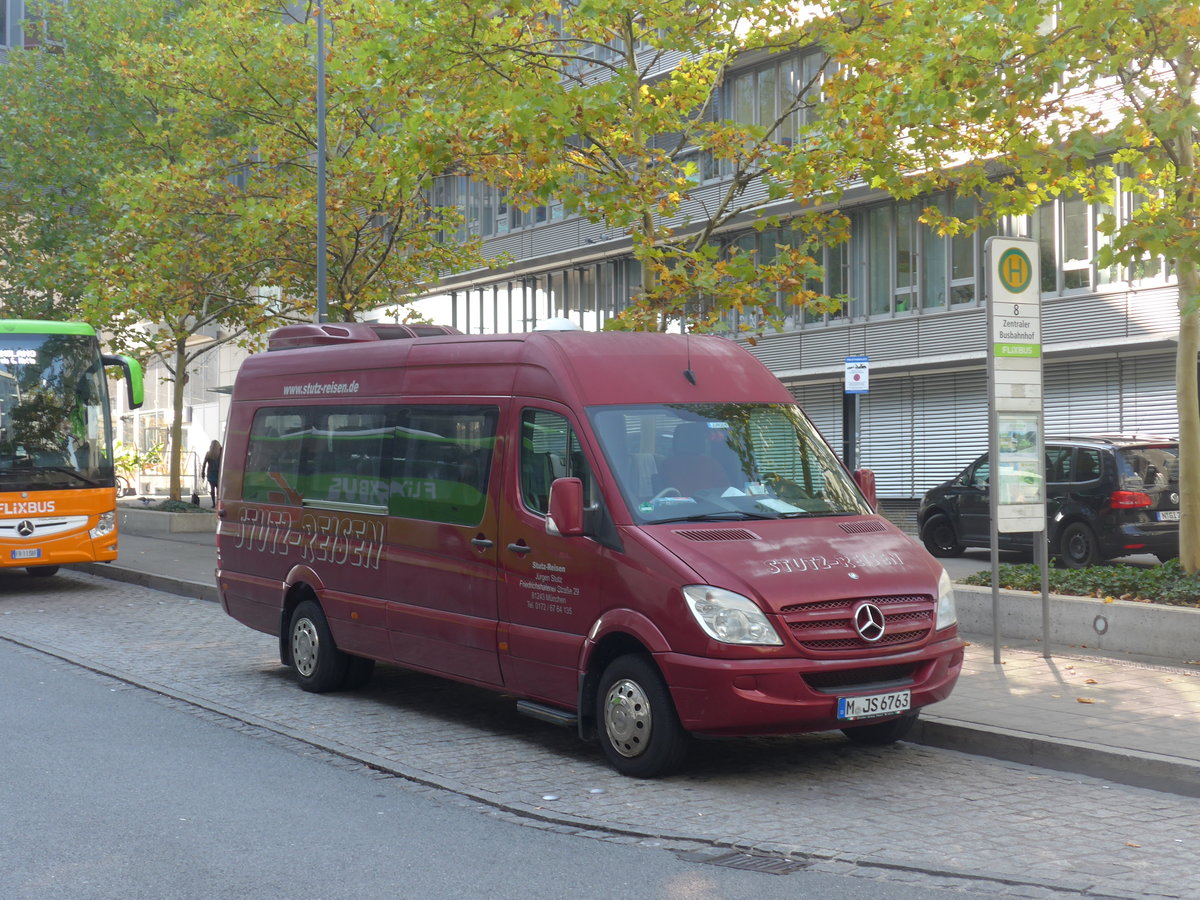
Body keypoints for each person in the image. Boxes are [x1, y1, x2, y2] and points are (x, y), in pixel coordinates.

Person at [201, 440, 222, 507]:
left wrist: (203, 473)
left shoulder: (209, 454)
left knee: (212, 489)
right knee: (219, 489)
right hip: (218, 473)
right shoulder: (220, 454)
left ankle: (213, 503)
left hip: (210, 473)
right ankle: (218, 503)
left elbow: (204, 464)